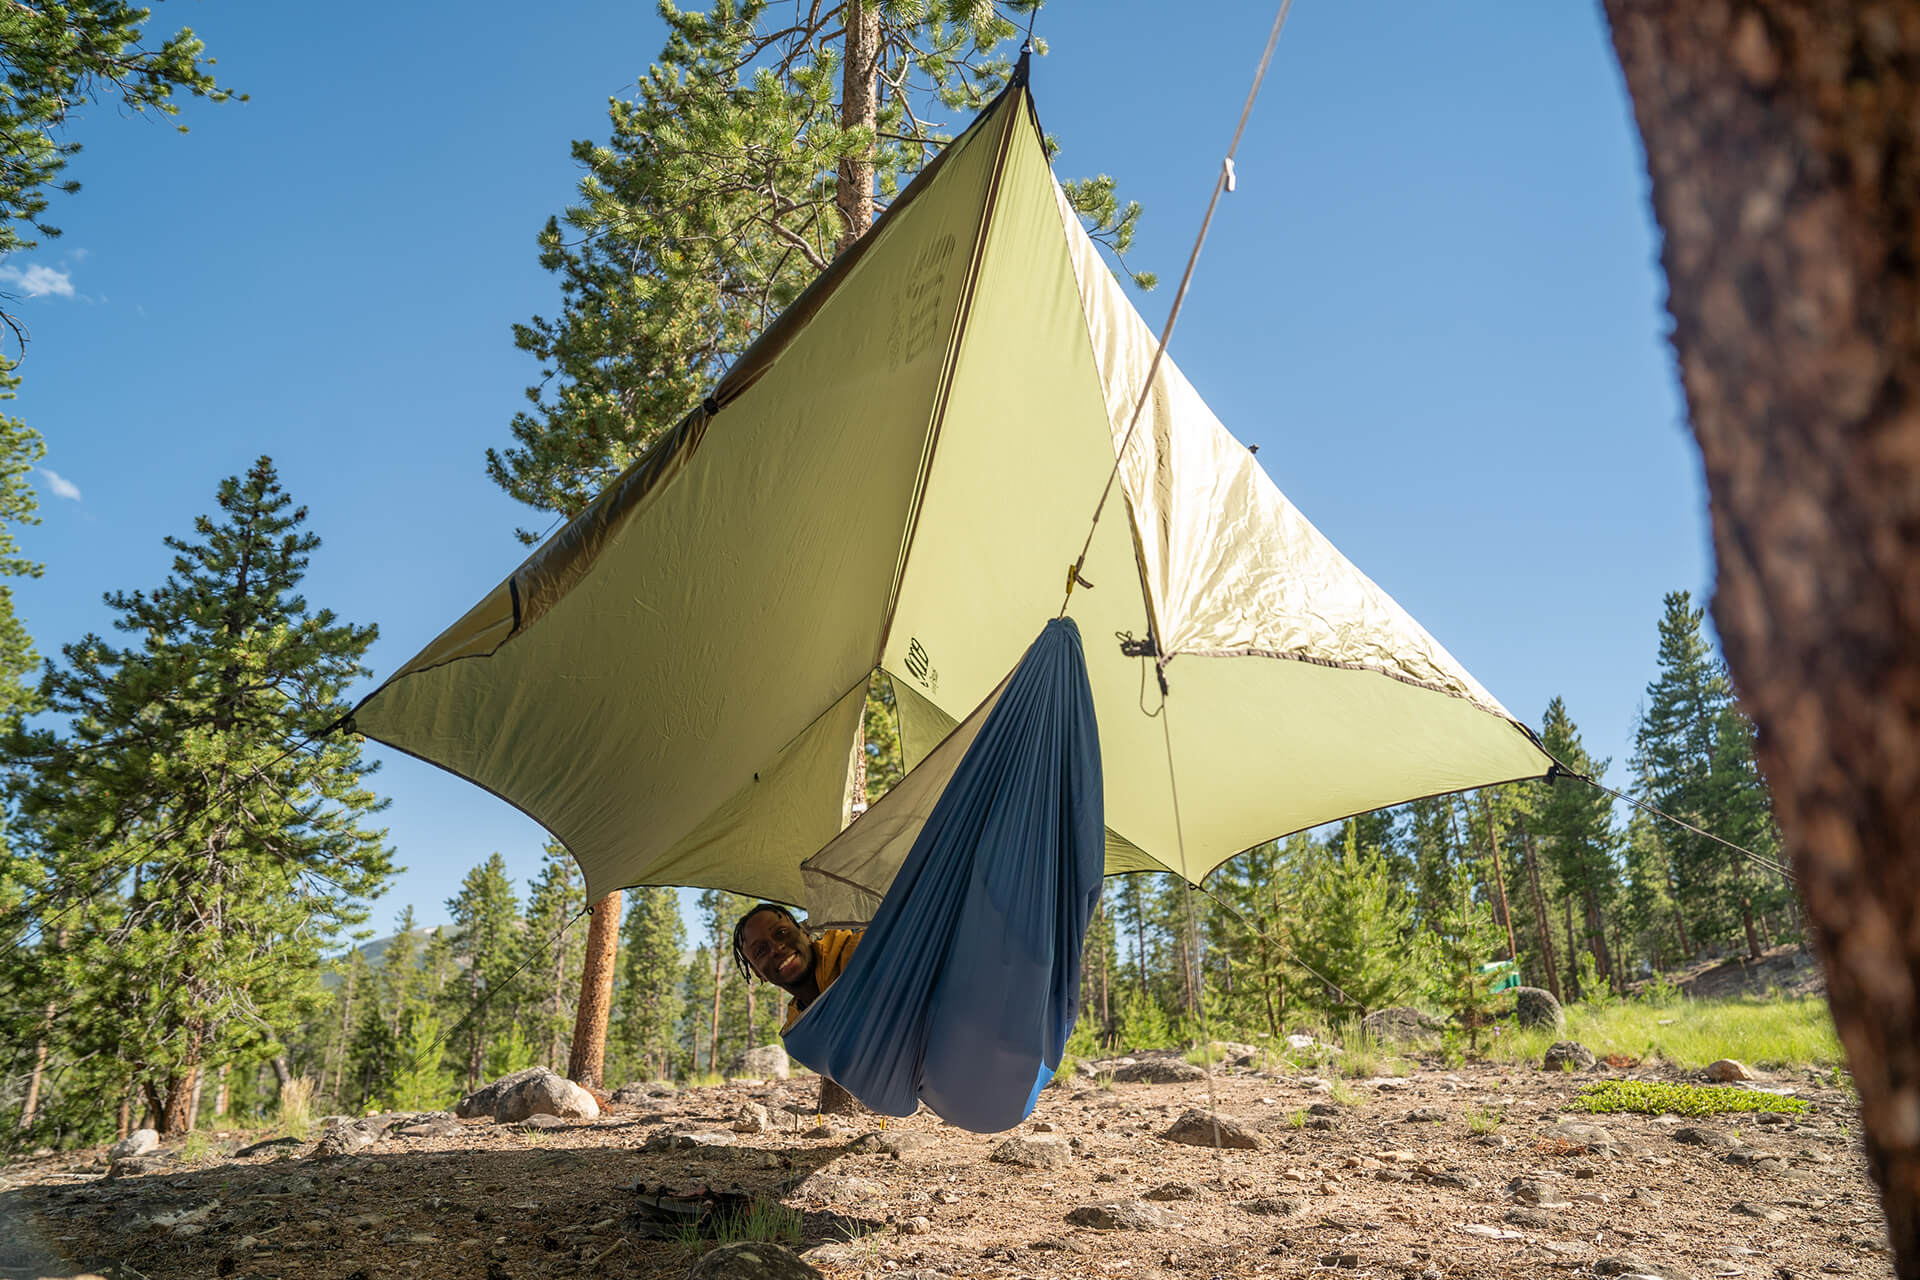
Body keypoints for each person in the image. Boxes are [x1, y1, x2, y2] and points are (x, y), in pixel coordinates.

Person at [732, 903, 863, 1032]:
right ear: (758, 973)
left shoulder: (863, 952)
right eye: (760, 951)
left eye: (781, 932)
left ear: (805, 934)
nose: (776, 949)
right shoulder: (799, 1034)